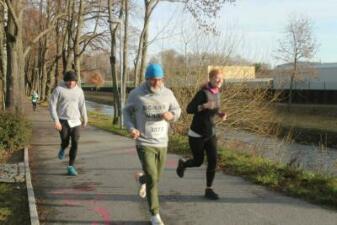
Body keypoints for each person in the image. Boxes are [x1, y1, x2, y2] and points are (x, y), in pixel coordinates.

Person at [123, 64, 181, 225]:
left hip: (162, 142)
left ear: (163, 79)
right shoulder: (136, 94)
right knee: (153, 178)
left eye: (159, 80)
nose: (156, 83)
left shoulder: (168, 93)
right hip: (144, 142)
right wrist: (131, 128)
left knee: (155, 177)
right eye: (153, 80)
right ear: (147, 79)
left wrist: (171, 115)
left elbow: (177, 110)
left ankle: (143, 180)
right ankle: (154, 214)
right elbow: (126, 112)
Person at [176, 68, 227, 200]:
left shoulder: (218, 92)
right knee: (198, 161)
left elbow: (215, 108)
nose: (220, 80)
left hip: (210, 132)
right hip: (197, 133)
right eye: (217, 78)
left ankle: (208, 189)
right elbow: (189, 109)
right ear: (210, 79)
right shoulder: (202, 93)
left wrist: (220, 114)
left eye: (221, 78)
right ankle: (183, 164)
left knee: (213, 160)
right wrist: (203, 106)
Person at [49, 71, 88, 176]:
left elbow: (82, 105)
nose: (70, 83)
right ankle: (63, 147)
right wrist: (56, 121)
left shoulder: (79, 91)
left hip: (76, 121)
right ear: (65, 81)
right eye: (68, 81)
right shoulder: (58, 90)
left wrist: (85, 117)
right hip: (63, 120)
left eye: (73, 81)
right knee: (65, 141)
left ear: (76, 81)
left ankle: (71, 166)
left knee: (75, 142)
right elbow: (52, 106)